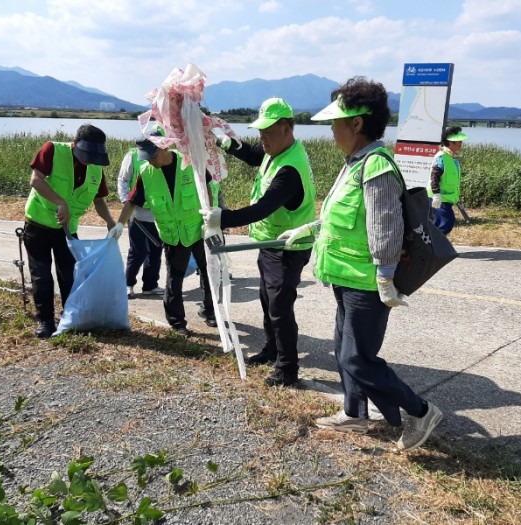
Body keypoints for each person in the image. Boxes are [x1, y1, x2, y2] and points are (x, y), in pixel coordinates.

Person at [279, 77, 442, 451]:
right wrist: (310, 228)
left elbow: (385, 223)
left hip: (368, 283)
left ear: (356, 124)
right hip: (345, 276)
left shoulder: (376, 166)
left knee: (358, 357)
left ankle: (421, 411)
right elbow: (344, 217)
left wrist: (385, 276)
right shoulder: (354, 164)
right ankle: (354, 413)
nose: (332, 130)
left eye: (337, 123)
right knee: (342, 348)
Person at [200, 97, 316, 387]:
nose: (261, 137)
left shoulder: (290, 169)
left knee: (279, 306)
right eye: (260, 130)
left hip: (288, 248)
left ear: (288, 128)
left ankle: (287, 370)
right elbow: (254, 155)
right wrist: (221, 141)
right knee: (267, 299)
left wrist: (221, 218)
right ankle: (272, 348)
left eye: (267, 131)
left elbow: (263, 208)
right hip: (270, 244)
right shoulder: (275, 150)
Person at [110, 131, 216, 336]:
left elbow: (206, 187)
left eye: (152, 155)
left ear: (164, 147)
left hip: (198, 229)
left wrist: (210, 213)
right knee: (174, 279)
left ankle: (210, 312)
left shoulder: (189, 161)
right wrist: (120, 224)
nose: (149, 160)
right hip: (173, 235)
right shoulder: (147, 173)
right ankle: (177, 323)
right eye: (146, 156)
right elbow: (132, 201)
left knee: (207, 271)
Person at [24, 124, 116, 338]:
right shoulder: (52, 150)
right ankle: (45, 321)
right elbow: (36, 180)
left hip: (68, 231)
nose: (87, 160)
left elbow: (99, 200)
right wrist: (60, 202)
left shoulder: (95, 167)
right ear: (75, 144)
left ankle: (70, 318)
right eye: (85, 155)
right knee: (42, 277)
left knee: (70, 276)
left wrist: (110, 221)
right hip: (38, 225)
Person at [117, 140, 165, 299]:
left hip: (157, 213)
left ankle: (150, 285)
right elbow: (123, 180)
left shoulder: (164, 157)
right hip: (136, 212)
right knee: (138, 251)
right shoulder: (132, 156)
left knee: (156, 250)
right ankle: (127, 284)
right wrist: (125, 202)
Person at [429, 126, 469, 235]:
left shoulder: (450, 157)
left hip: (447, 198)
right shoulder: (442, 157)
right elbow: (434, 176)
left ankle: (432, 248)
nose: (461, 143)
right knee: (446, 223)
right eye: (458, 141)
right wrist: (436, 194)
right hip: (440, 199)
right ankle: (434, 248)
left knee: (438, 224)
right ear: (451, 143)